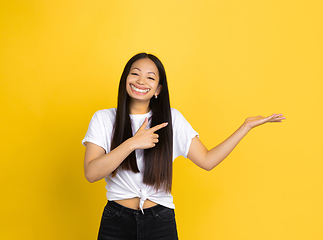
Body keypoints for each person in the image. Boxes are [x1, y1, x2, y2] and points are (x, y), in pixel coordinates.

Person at [82, 52, 285, 240]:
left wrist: (245, 127)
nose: (141, 81)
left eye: (150, 77)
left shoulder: (171, 120)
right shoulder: (104, 119)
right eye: (135, 74)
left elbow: (207, 160)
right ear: (125, 79)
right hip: (116, 220)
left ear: (158, 89)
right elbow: (91, 173)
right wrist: (132, 143)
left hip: (160, 221)